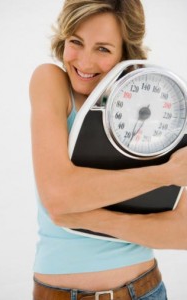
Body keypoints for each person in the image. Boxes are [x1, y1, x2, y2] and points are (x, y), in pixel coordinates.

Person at [29, 0, 187, 299]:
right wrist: (167, 173)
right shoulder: (51, 81)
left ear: (125, 52)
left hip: (144, 290)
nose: (84, 63)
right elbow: (59, 197)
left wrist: (89, 218)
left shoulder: (159, 106)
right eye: (76, 42)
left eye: (103, 49)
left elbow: (183, 231)